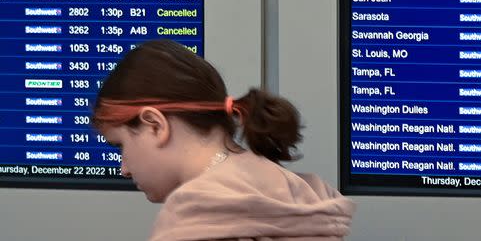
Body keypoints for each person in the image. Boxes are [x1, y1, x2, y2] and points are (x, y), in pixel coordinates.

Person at [91, 39, 355, 241]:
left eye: (120, 146)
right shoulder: (302, 192)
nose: (123, 168)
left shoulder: (194, 214)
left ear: (155, 125)